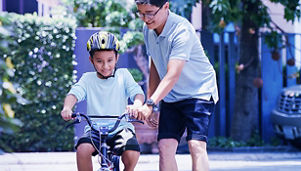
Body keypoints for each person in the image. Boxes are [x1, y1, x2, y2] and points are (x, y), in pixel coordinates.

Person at [134, 0, 219, 171]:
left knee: (196, 145)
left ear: (166, 6)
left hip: (198, 92)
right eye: (141, 13)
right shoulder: (148, 30)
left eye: (150, 13)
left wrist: (150, 104)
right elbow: (155, 66)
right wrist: (152, 102)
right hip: (172, 95)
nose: (145, 18)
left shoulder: (181, 30)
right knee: (165, 147)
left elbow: (172, 75)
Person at [60, 31, 145, 171]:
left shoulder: (123, 75)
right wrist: (67, 108)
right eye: (99, 61)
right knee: (82, 149)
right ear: (91, 60)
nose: (105, 66)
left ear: (117, 58)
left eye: (110, 60)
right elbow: (74, 94)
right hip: (94, 129)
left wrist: (136, 105)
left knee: (132, 152)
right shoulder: (87, 78)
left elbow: (137, 93)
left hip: (120, 128)